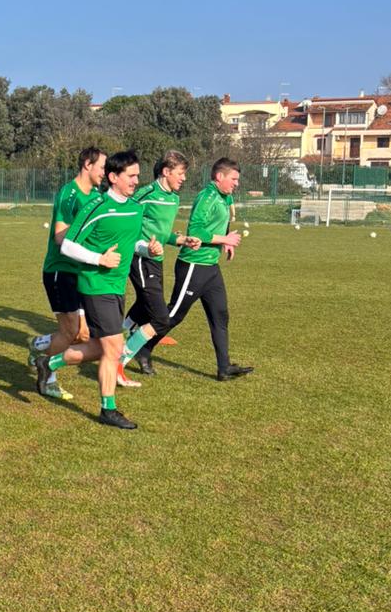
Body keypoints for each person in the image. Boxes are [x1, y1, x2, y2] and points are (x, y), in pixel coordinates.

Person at [32, 150, 161, 429]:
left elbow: (131, 242)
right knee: (113, 348)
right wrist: (99, 259)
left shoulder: (135, 208)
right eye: (131, 176)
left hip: (117, 286)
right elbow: (67, 245)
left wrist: (147, 249)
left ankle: (48, 364)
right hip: (95, 285)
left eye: (138, 175)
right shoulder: (97, 206)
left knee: (100, 347)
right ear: (113, 177)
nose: (136, 181)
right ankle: (108, 409)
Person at [153, 158, 253, 381]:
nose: (236, 183)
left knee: (220, 315)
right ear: (219, 177)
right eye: (233, 179)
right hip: (193, 265)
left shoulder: (225, 197)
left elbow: (222, 223)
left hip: (211, 268)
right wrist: (224, 239)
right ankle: (139, 349)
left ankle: (224, 368)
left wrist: (226, 242)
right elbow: (195, 231)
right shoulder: (207, 197)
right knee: (174, 315)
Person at [29, 147, 107, 400]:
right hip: (60, 270)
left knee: (82, 334)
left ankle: (39, 345)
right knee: (71, 331)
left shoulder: (96, 195)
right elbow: (60, 236)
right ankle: (48, 378)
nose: (104, 173)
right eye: (102, 167)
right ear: (87, 165)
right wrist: (89, 240)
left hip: (83, 271)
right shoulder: (69, 194)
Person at [119, 150, 201, 379]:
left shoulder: (174, 199)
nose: (184, 178)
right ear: (166, 171)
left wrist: (182, 240)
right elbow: (124, 223)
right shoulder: (145, 195)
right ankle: (120, 358)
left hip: (156, 260)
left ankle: (115, 334)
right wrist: (143, 247)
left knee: (145, 305)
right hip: (140, 258)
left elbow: (162, 233)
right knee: (161, 319)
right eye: (180, 173)